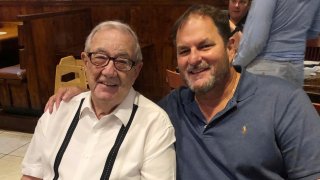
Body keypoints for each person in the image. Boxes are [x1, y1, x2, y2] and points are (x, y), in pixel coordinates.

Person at [46, 4, 320, 180]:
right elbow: (125, 106)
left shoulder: (285, 102)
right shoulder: (170, 109)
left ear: (231, 46)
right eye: (184, 51)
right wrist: (86, 91)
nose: (194, 58)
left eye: (205, 46)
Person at [21, 20, 176, 180]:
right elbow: (32, 175)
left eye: (122, 61)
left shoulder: (154, 125)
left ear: (136, 71)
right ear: (85, 62)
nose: (109, 71)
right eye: (100, 58)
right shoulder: (58, 109)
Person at [233, 0, 320, 87]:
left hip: (265, 68)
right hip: (295, 68)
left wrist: (236, 66)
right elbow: (312, 32)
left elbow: (255, 42)